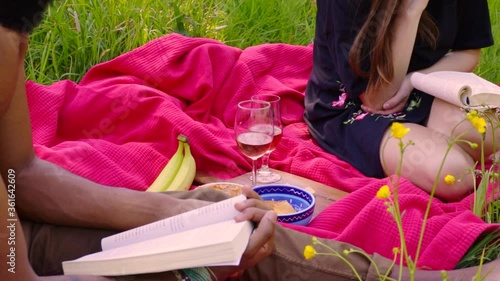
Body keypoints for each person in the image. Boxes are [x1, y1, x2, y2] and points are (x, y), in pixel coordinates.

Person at [1, 1, 500, 281]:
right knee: (208, 256)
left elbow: (18, 174)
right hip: (11, 252)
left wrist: (177, 213)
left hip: (15, 228)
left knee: (221, 219)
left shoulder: (9, 27)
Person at [304, 0, 495, 202]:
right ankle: (434, 147)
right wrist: (410, 11)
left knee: (493, 130)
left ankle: (434, 140)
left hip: (422, 86)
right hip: (356, 105)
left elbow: (469, 52)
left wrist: (416, 80)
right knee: (453, 175)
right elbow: (376, 99)